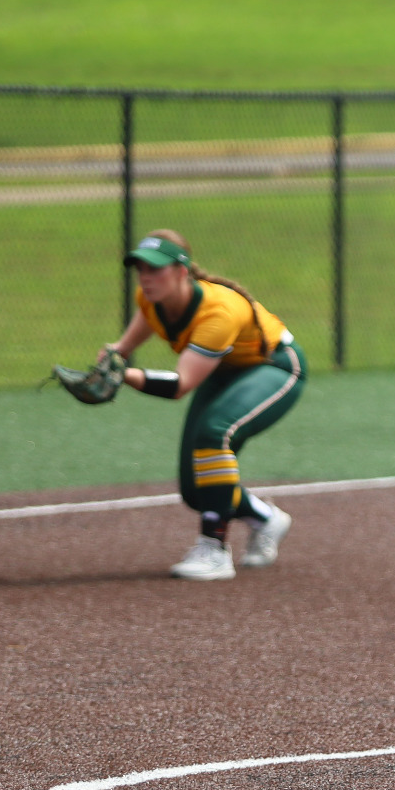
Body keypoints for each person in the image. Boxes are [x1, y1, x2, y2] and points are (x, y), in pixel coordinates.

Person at [104, 230, 304, 580]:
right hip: (224, 371)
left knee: (215, 432)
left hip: (274, 366)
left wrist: (124, 375)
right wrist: (113, 355)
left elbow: (180, 385)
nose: (147, 277)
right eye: (141, 269)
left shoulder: (218, 310)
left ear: (182, 272)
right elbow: (128, 341)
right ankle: (264, 518)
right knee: (197, 490)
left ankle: (214, 550)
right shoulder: (150, 298)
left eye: (156, 269)